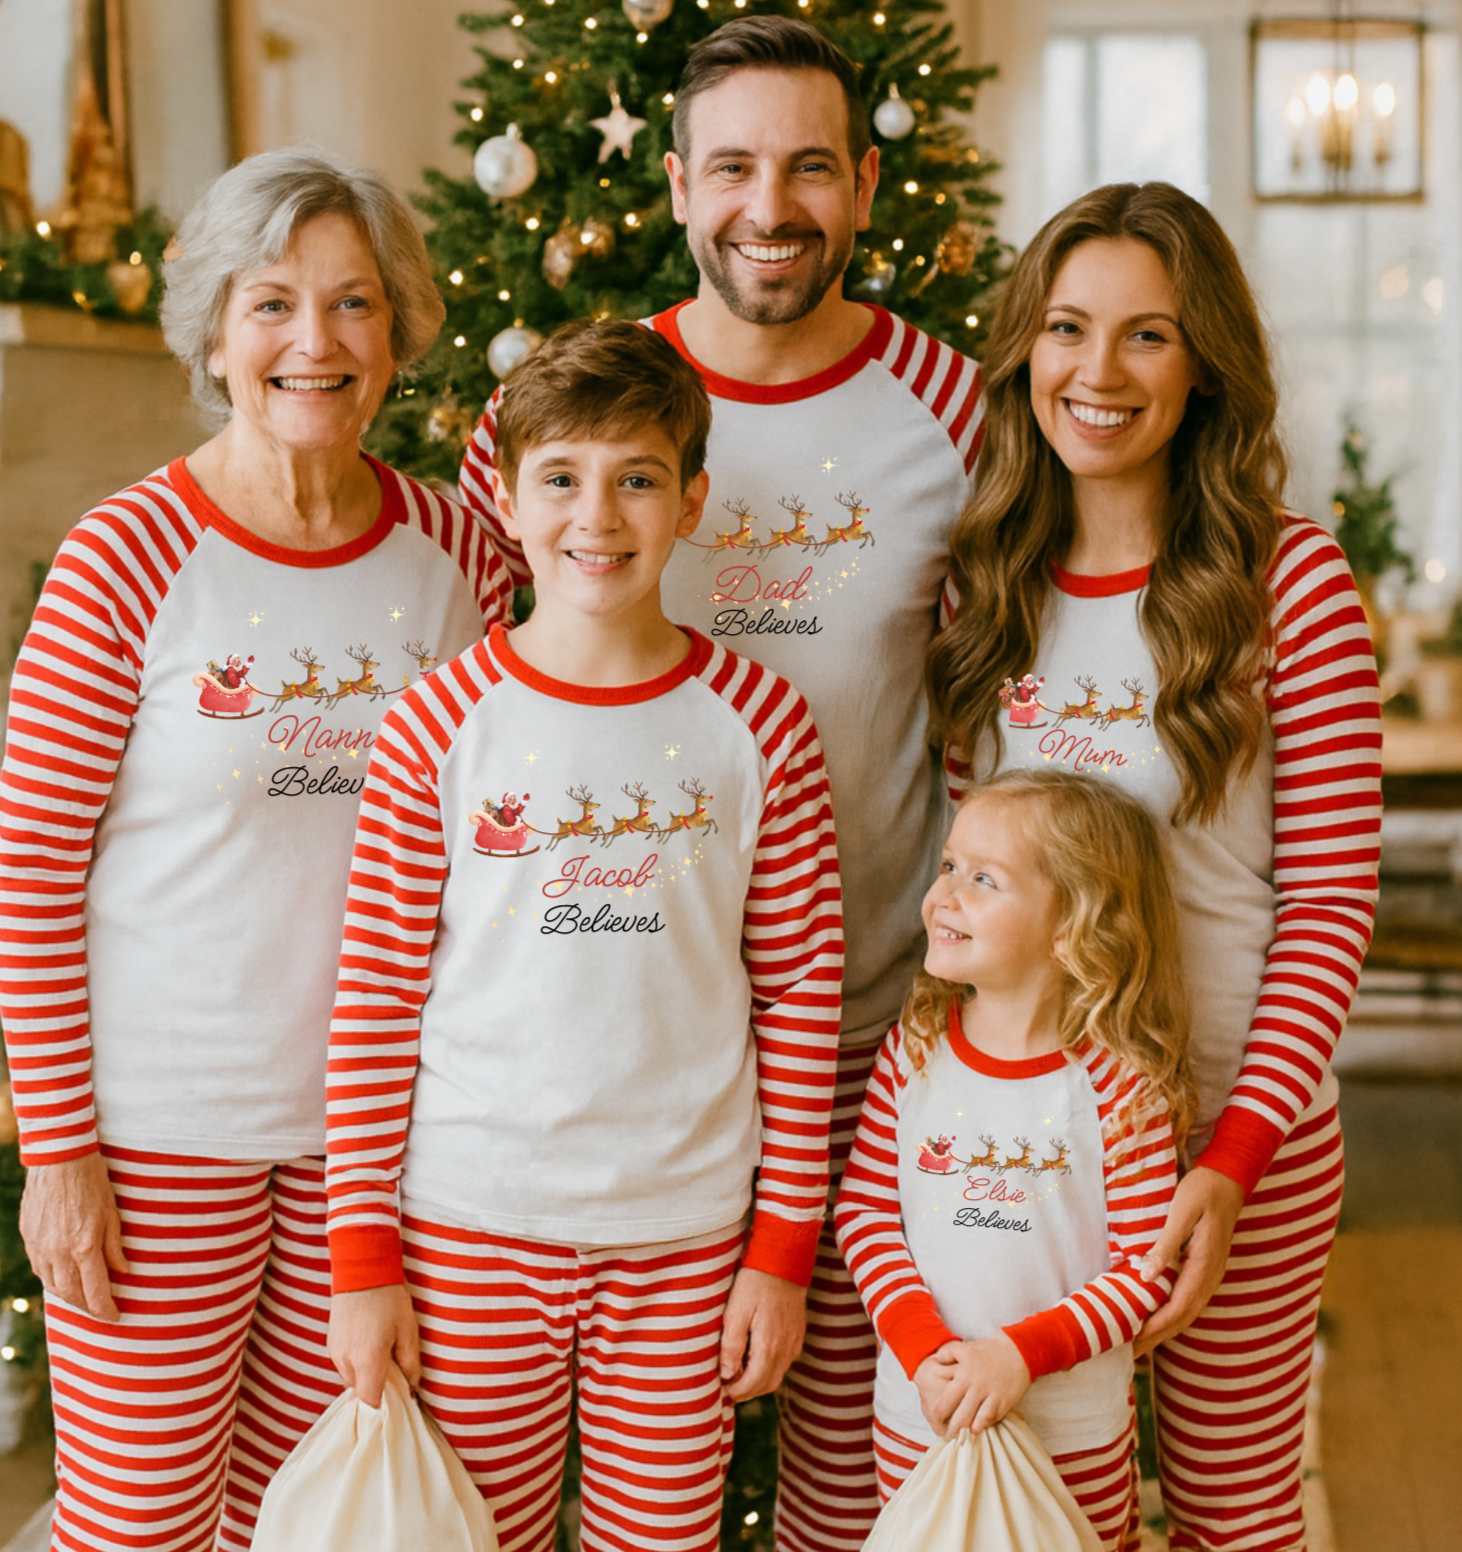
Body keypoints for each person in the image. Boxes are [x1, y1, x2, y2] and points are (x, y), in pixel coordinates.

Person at [456, 20, 983, 1545]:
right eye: (735, 166)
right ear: (678, 188)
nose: (772, 204)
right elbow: (500, 683)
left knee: (850, 1473)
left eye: (811, 166)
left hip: (876, 1029)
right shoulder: (574, 416)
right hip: (633, 1061)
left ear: (866, 185)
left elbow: (1008, 680)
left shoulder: (951, 411)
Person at [0, 146, 511, 1552]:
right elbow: (31, 869)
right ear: (216, 331)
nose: (315, 342)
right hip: (164, 1140)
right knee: (141, 1518)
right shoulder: (128, 556)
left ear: (400, 329)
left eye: (354, 304)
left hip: (388, 1155)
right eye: (271, 303)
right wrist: (59, 1151)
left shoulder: (464, 552)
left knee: (318, 1521)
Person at [324, 319, 844, 1552]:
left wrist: (780, 1251)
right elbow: (374, 999)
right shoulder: (435, 725)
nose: (595, 517)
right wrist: (361, 1261)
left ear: (692, 498)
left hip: (685, 1234)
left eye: (636, 479)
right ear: (506, 498)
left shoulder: (760, 724)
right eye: (559, 478)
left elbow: (804, 993)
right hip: (466, 1223)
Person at [925, 181, 1382, 1550]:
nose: (1099, 373)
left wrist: (1229, 1161)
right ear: (1026, 353)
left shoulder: (1287, 585)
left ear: (1205, 364)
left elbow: (1332, 901)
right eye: (1068, 329)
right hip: (1032, 1151)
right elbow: (974, 895)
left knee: (1236, 1516)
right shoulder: (984, 591)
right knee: (1038, 1509)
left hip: (1235, 1145)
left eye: (1147, 336)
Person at [835, 770, 1192, 1550]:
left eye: (984, 879)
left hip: (1073, 1434)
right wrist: (926, 1350)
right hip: (918, 1411)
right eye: (949, 865)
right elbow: (865, 1216)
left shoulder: (1118, 1085)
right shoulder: (914, 1053)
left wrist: (1016, 1357)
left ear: (1072, 927)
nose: (945, 894)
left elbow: (1143, 1269)